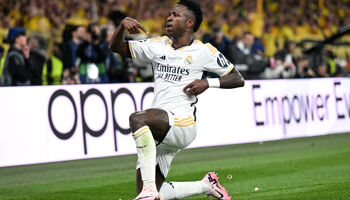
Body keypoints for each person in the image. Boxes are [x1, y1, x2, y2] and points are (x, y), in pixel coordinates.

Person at [109, 0, 244, 199]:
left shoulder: (203, 51)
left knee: (138, 119)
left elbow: (237, 78)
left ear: (189, 23)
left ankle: (147, 190)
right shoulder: (157, 45)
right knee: (156, 193)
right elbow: (116, 47)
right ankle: (206, 186)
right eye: (169, 14)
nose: (169, 18)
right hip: (159, 128)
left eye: (175, 15)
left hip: (183, 123)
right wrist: (122, 26)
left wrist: (208, 83)